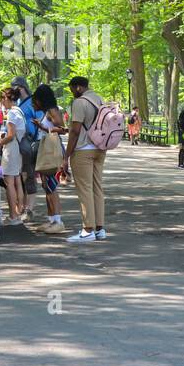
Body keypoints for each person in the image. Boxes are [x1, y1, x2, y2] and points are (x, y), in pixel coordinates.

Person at [62, 75, 108, 242]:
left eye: (72, 89)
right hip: (100, 148)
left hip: (82, 150)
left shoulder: (79, 102)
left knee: (85, 190)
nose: (72, 92)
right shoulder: (99, 99)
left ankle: (87, 230)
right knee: (97, 188)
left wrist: (66, 156)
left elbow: (75, 131)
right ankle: (99, 228)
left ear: (78, 88)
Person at [0, 87, 27, 224]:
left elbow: (11, 136)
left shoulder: (13, 113)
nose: (2, 102)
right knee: (16, 181)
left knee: (9, 183)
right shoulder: (19, 111)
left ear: (7, 98)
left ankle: (13, 216)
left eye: (2, 99)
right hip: (18, 149)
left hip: (12, 149)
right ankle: (17, 213)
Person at [32, 83, 68, 234]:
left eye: (36, 100)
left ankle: (58, 221)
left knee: (52, 187)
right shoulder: (46, 111)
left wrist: (43, 127)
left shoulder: (53, 111)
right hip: (45, 151)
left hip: (52, 152)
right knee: (46, 186)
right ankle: (51, 219)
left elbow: (63, 129)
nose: (35, 103)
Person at [12, 77, 42, 221]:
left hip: (30, 143)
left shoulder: (33, 102)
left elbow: (40, 121)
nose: (13, 90)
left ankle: (29, 210)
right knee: (21, 176)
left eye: (15, 87)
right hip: (18, 145)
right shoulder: (17, 103)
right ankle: (22, 207)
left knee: (29, 176)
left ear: (21, 87)